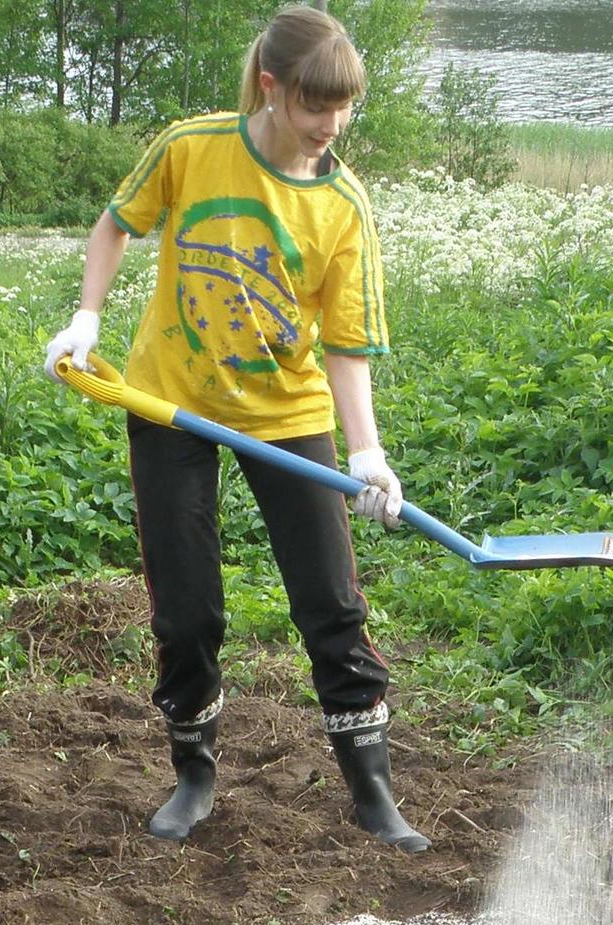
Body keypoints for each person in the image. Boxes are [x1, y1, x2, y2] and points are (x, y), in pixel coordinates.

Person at [44, 3, 429, 853]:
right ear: (271, 86)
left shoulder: (342, 205)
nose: (330, 127)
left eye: (344, 110)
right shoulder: (193, 147)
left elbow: (347, 345)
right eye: (313, 108)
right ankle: (195, 776)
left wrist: (366, 450)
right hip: (170, 402)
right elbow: (117, 223)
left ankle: (373, 792)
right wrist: (86, 319)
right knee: (185, 610)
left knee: (330, 600)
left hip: (286, 414)